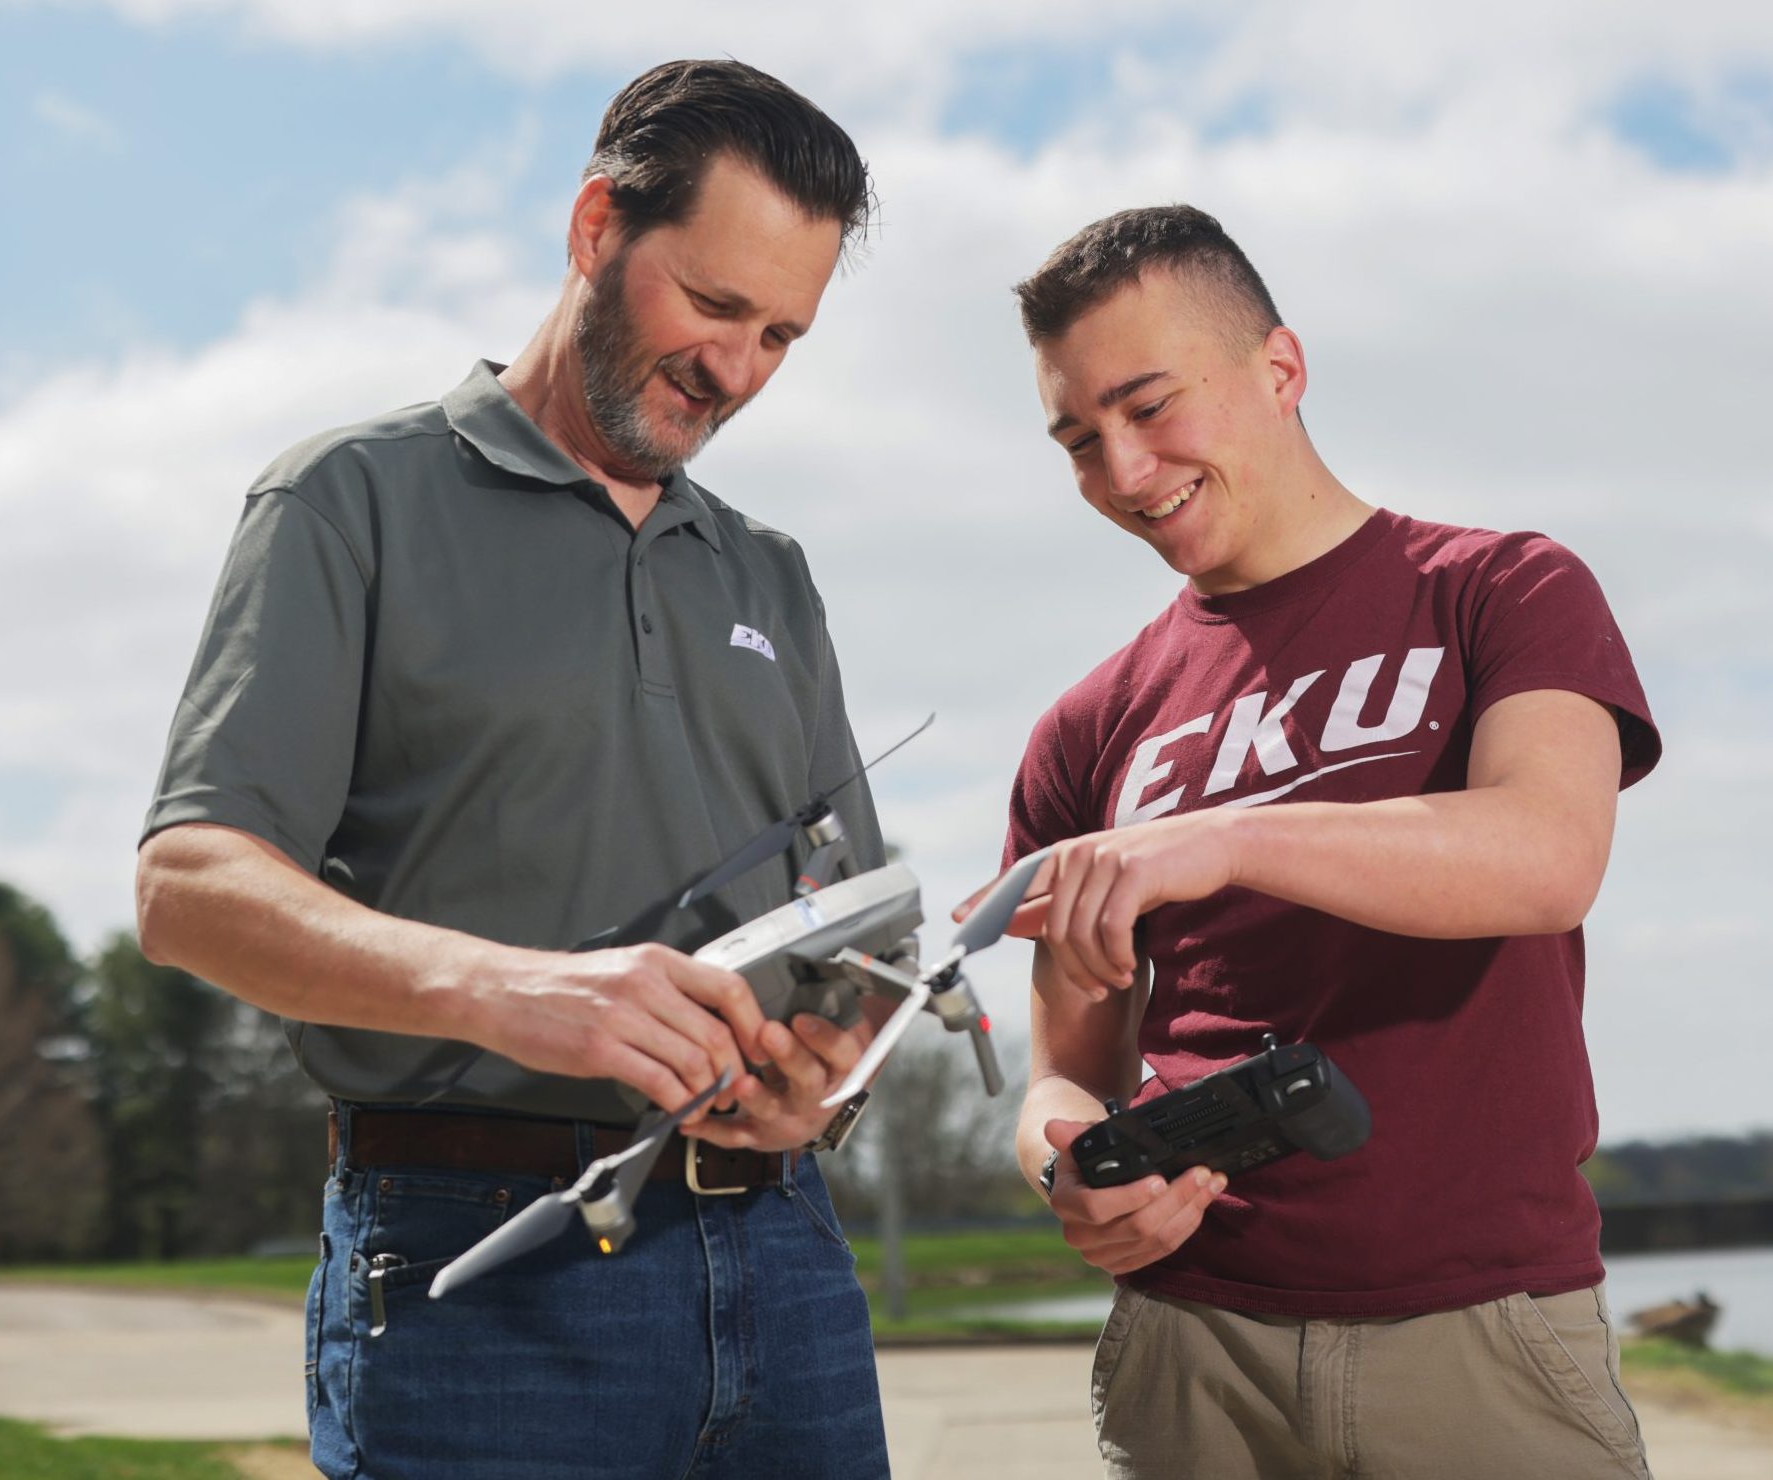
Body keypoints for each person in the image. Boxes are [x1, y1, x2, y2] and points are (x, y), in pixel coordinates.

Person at [136, 60, 892, 1480]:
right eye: (715, 306)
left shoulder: (770, 576)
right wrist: (505, 989)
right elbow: (187, 888)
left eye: (780, 334)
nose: (735, 369)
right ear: (595, 227)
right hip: (476, 1264)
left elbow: (852, 930)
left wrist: (825, 1084)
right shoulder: (347, 502)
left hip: (785, 1262)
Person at [975, 205, 1661, 1479]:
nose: (1123, 472)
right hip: (1192, 1356)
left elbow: (1545, 855)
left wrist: (1220, 841)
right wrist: (1064, 1167)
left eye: (1148, 405)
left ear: (1279, 370)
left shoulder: (1501, 587)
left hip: (1479, 1340)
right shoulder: (1085, 726)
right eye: (1079, 438)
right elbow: (1064, 1072)